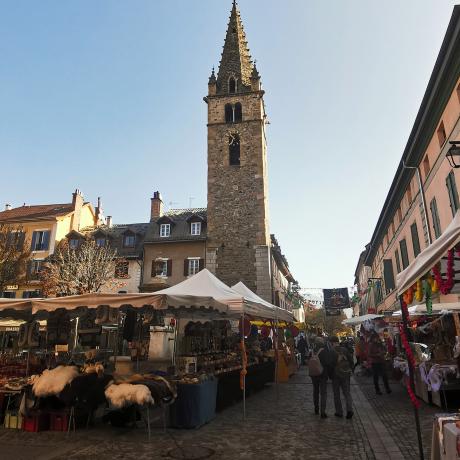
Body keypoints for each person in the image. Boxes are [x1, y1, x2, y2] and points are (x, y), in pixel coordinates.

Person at [309, 337, 336, 418]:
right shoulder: (324, 351)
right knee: (323, 393)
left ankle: (316, 408)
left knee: (315, 391)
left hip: (314, 374)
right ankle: (323, 412)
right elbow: (328, 363)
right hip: (322, 374)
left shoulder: (312, 351)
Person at [330, 336, 354, 419]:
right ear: (338, 342)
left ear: (332, 343)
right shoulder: (344, 350)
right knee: (347, 393)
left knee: (337, 394)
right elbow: (351, 360)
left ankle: (339, 412)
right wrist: (351, 369)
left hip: (335, 375)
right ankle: (349, 410)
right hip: (346, 374)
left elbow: (330, 364)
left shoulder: (331, 351)